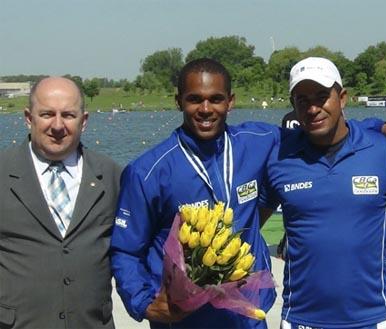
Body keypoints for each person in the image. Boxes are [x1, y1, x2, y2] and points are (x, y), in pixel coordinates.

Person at [110, 58, 278, 329]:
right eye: (194, 99)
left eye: (216, 99)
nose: (206, 109)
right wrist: (143, 301)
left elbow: (312, 134)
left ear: (231, 101)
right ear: (179, 102)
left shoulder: (258, 142)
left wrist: (368, 130)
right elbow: (126, 250)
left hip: (248, 317)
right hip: (184, 321)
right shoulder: (148, 171)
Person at [259, 57, 386, 329]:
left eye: (322, 96)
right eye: (302, 100)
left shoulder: (383, 149)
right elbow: (251, 226)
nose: (313, 108)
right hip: (301, 320)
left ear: (343, 97)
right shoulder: (279, 158)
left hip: (374, 318)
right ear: (293, 106)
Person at [0, 77, 121, 329]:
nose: (57, 125)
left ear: (84, 121)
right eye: (46, 114)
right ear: (28, 117)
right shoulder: (3, 172)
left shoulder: (111, 176)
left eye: (68, 115)